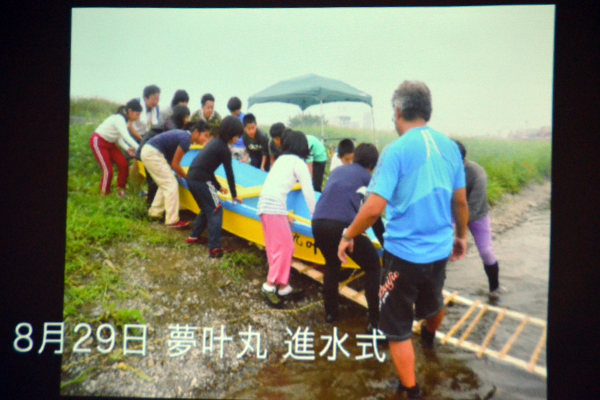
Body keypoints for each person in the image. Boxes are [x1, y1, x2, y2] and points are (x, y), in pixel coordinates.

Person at [337, 81, 468, 399]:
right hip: (438, 251)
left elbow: (373, 209)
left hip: (403, 257)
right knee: (434, 301)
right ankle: (429, 340)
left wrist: (347, 235)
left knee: (395, 328)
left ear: (397, 112)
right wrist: (461, 237)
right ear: (427, 110)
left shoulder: (395, 151)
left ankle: (411, 390)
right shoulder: (450, 147)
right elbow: (461, 202)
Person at [312, 143, 382, 329]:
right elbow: (373, 215)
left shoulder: (338, 171)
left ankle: (331, 315)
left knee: (332, 265)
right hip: (341, 226)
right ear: (373, 165)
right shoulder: (369, 179)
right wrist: (385, 245)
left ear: (355, 156)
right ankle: (375, 322)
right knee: (373, 266)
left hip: (318, 222)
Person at [258, 130, 316, 306]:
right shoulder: (298, 163)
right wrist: (316, 217)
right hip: (273, 208)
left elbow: (275, 187)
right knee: (286, 247)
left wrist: (284, 214)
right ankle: (269, 286)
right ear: (303, 147)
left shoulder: (281, 160)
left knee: (276, 247)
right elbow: (309, 192)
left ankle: (283, 287)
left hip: (266, 206)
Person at [186, 116, 244, 258]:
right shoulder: (223, 148)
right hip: (201, 180)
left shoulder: (214, 144)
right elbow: (229, 173)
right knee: (216, 209)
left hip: (192, 178)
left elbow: (207, 168)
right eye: (236, 136)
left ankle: (193, 237)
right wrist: (234, 194)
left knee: (207, 209)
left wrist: (218, 187)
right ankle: (215, 248)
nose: (237, 139)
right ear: (230, 134)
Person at [454, 139, 501, 297]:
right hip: (452, 213)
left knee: (486, 252)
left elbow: (473, 208)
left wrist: (459, 231)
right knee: (438, 249)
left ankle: (495, 289)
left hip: (477, 214)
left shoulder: (477, 173)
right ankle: (434, 291)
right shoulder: (442, 170)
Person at [140, 124, 206, 228]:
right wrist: (187, 177)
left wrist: (178, 172)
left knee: (165, 183)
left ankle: (154, 213)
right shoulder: (185, 140)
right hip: (153, 153)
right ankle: (172, 220)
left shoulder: (183, 135)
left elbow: (172, 161)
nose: (205, 140)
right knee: (171, 184)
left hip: (149, 151)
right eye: (205, 136)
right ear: (197, 132)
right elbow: (175, 164)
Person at [135, 105, 193, 206]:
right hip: (150, 151)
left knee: (158, 179)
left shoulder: (171, 123)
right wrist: (180, 171)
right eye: (187, 117)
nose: (187, 120)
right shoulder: (172, 127)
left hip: (147, 149)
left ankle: (153, 207)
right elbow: (170, 149)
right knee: (159, 180)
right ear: (182, 116)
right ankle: (152, 206)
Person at [90, 99, 142, 196]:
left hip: (110, 143)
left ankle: (120, 190)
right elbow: (126, 136)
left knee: (124, 164)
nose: (138, 117)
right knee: (108, 170)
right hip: (99, 141)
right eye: (137, 114)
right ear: (130, 111)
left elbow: (119, 138)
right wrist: (140, 148)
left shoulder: (125, 121)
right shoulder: (119, 119)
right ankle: (103, 195)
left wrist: (127, 148)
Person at [227, 96, 247, 161]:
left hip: (244, 148)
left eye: (235, 111)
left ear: (240, 109)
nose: (233, 113)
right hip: (233, 148)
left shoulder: (245, 118)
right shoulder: (229, 120)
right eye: (231, 111)